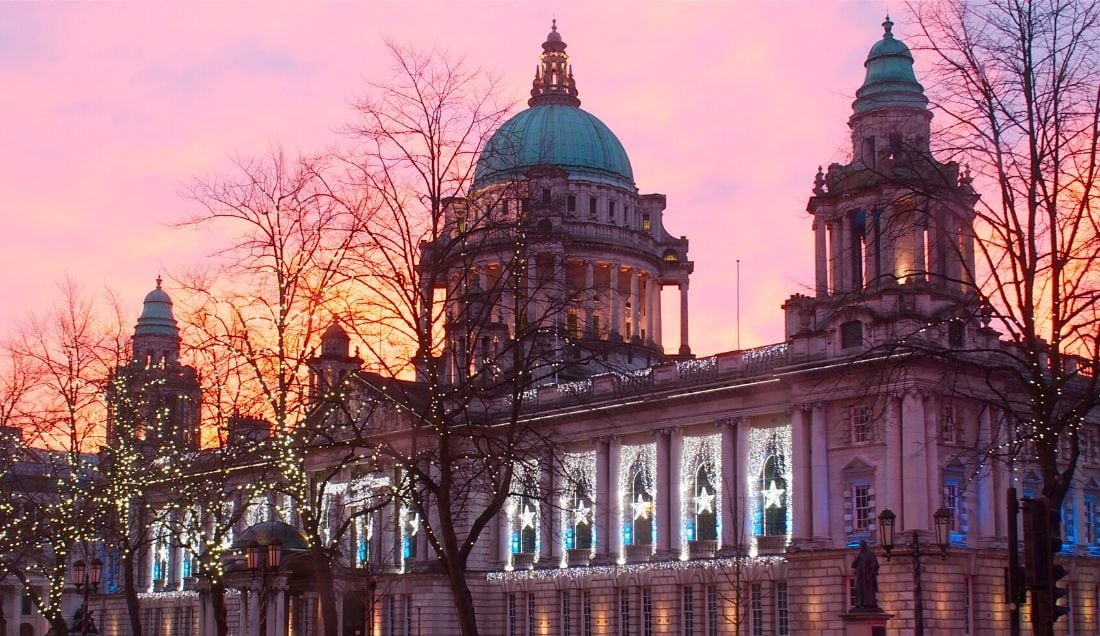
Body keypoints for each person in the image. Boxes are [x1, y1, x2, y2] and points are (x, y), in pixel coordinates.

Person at [852, 539, 880, 610]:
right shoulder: (860, 554)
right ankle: (860, 603)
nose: (861, 547)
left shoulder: (870, 554)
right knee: (860, 590)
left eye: (862, 545)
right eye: (860, 545)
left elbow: (875, 565)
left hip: (867, 576)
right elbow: (853, 565)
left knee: (868, 591)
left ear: (865, 545)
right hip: (860, 575)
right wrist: (858, 557)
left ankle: (869, 604)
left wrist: (870, 575)